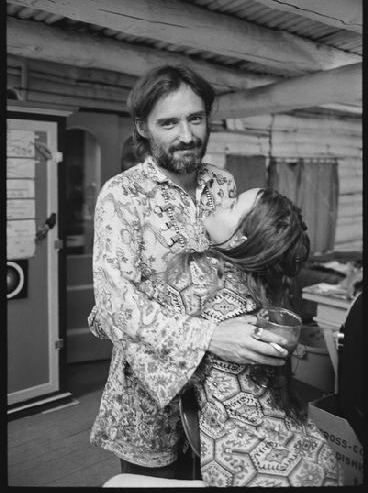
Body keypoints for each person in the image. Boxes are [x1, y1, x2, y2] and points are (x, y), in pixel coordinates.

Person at [88, 65, 289, 479]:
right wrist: (211, 336)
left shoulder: (223, 183)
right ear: (142, 126)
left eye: (195, 118)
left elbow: (240, 265)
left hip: (228, 396)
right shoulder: (122, 195)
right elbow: (114, 306)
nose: (186, 135)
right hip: (149, 400)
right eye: (168, 122)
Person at [164, 187, 344, 486]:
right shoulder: (265, 279)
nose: (221, 199)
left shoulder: (196, 272)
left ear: (241, 239)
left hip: (243, 453)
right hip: (306, 444)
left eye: (232, 204)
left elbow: (117, 322)